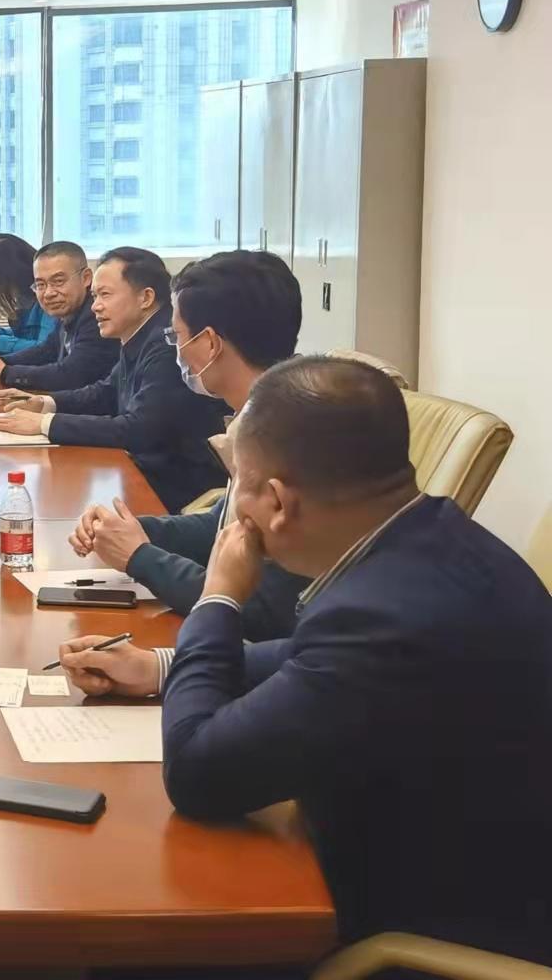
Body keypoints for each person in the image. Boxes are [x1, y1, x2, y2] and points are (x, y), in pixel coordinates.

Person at [56, 357, 552, 962]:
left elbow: (196, 773)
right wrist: (159, 666)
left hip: (427, 933)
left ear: (276, 502)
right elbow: (308, 659)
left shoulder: (383, 618)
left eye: (238, 482)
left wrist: (218, 596)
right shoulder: (434, 540)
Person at [68, 250, 311, 639]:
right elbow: (223, 524)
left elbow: (260, 610)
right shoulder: (264, 412)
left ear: (210, 343)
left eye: (176, 336)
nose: (175, 350)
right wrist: (135, 529)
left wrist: (140, 557)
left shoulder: (293, 436)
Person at [0, 247, 228, 512]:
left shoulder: (165, 345)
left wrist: (43, 423)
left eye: (105, 295)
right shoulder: (140, 335)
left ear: (145, 297)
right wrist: (42, 403)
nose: (95, 306)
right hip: (142, 475)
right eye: (95, 296)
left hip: (176, 492)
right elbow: (105, 392)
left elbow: (137, 430)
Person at [0, 240, 118, 391]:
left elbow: (71, 375)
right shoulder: (68, 310)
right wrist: (1, 361)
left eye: (58, 281)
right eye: (40, 285)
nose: (48, 293)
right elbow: (47, 350)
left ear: (86, 278)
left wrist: (5, 372)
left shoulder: (97, 315)